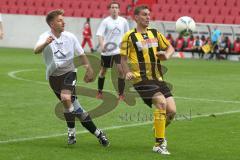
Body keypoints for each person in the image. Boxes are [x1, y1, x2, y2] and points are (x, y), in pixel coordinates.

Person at [34, 9, 109, 146]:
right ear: (52, 24)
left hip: (69, 73)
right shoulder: (45, 36)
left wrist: (88, 68)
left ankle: (71, 132)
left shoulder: (70, 36)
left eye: (63, 19)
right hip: (53, 77)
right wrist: (45, 43)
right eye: (60, 20)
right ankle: (99, 134)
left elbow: (81, 53)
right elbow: (36, 50)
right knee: (76, 109)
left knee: (65, 98)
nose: (63, 22)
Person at [120, 5, 176, 155]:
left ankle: (159, 129)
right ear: (136, 17)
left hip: (158, 78)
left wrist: (167, 55)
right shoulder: (129, 36)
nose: (148, 17)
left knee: (172, 112)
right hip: (140, 79)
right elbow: (123, 59)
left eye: (149, 15)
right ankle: (159, 144)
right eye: (144, 15)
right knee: (161, 103)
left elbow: (170, 47)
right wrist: (127, 73)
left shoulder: (155, 33)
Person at [96, 1, 129, 100]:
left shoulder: (123, 21)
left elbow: (127, 35)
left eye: (116, 7)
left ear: (119, 10)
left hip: (119, 51)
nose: (114, 9)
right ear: (109, 9)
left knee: (120, 71)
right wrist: (102, 46)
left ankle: (121, 94)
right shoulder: (105, 21)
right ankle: (99, 91)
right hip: (107, 51)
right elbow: (100, 34)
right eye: (112, 7)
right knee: (103, 71)